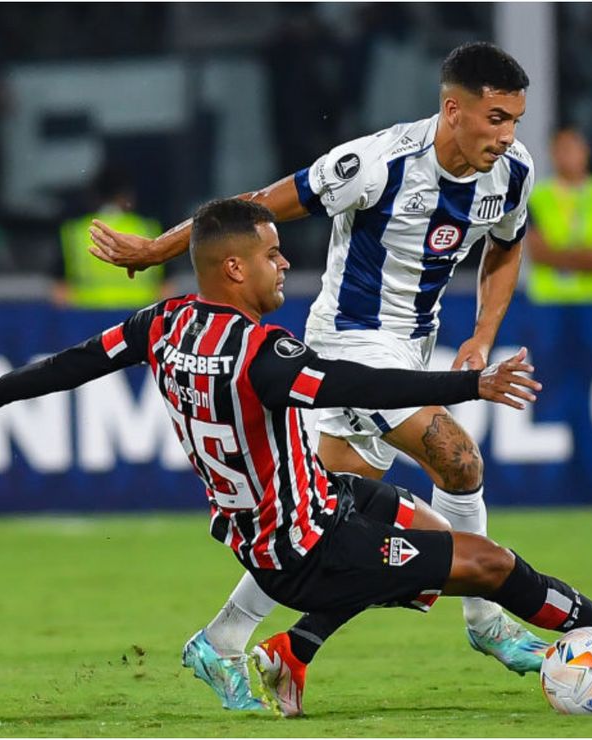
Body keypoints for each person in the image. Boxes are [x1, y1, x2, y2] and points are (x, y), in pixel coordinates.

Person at [0, 199, 592, 718]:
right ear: (234, 268)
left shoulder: (164, 323)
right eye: (270, 254)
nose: (283, 264)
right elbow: (358, 379)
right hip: (307, 547)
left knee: (411, 524)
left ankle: (288, 649)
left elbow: (79, 359)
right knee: (489, 565)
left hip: (287, 516)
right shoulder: (263, 351)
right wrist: (472, 382)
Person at [87, 42, 557, 706]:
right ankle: (488, 621)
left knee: (322, 521)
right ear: (454, 110)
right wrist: (157, 249)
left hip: (412, 346)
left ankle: (224, 641)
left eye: (515, 120)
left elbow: (507, 247)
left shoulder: (511, 172)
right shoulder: (375, 162)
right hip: (349, 346)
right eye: (496, 118)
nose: (508, 135)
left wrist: (482, 335)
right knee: (460, 461)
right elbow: (253, 208)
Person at [524, 126, 592, 305]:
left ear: (586, 151)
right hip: (550, 300)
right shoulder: (537, 198)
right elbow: (537, 252)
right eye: (560, 149)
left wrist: (562, 258)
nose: (566, 156)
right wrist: (590, 258)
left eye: (571, 148)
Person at [53, 165, 166, 309]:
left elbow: (60, 292)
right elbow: (166, 288)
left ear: (93, 196)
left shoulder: (74, 232)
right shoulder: (148, 229)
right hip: (139, 319)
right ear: (128, 196)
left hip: (88, 318)